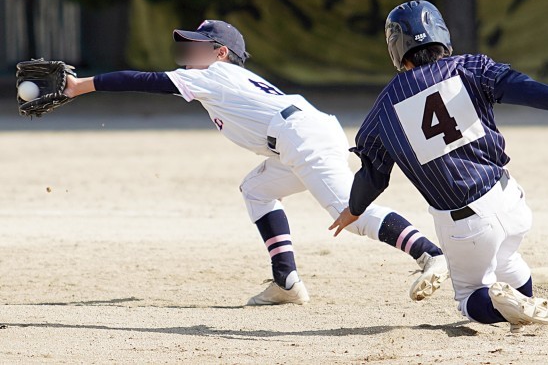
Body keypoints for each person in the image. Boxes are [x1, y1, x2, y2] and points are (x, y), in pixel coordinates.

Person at [62, 19, 450, 306]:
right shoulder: (220, 79)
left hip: (298, 136)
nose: (189, 53)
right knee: (256, 189)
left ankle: (430, 254)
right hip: (295, 137)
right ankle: (286, 282)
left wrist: (83, 86)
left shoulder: (213, 74)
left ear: (221, 53)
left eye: (200, 45)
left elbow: (143, 81)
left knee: (349, 212)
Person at [329, 0, 548, 331]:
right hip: (510, 201)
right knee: (508, 262)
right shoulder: (469, 67)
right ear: (441, 34)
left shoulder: (384, 109)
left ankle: (508, 309)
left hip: (465, 224)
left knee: (469, 298)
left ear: (396, 47)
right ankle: (522, 306)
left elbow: (374, 175)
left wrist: (354, 208)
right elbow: (514, 84)